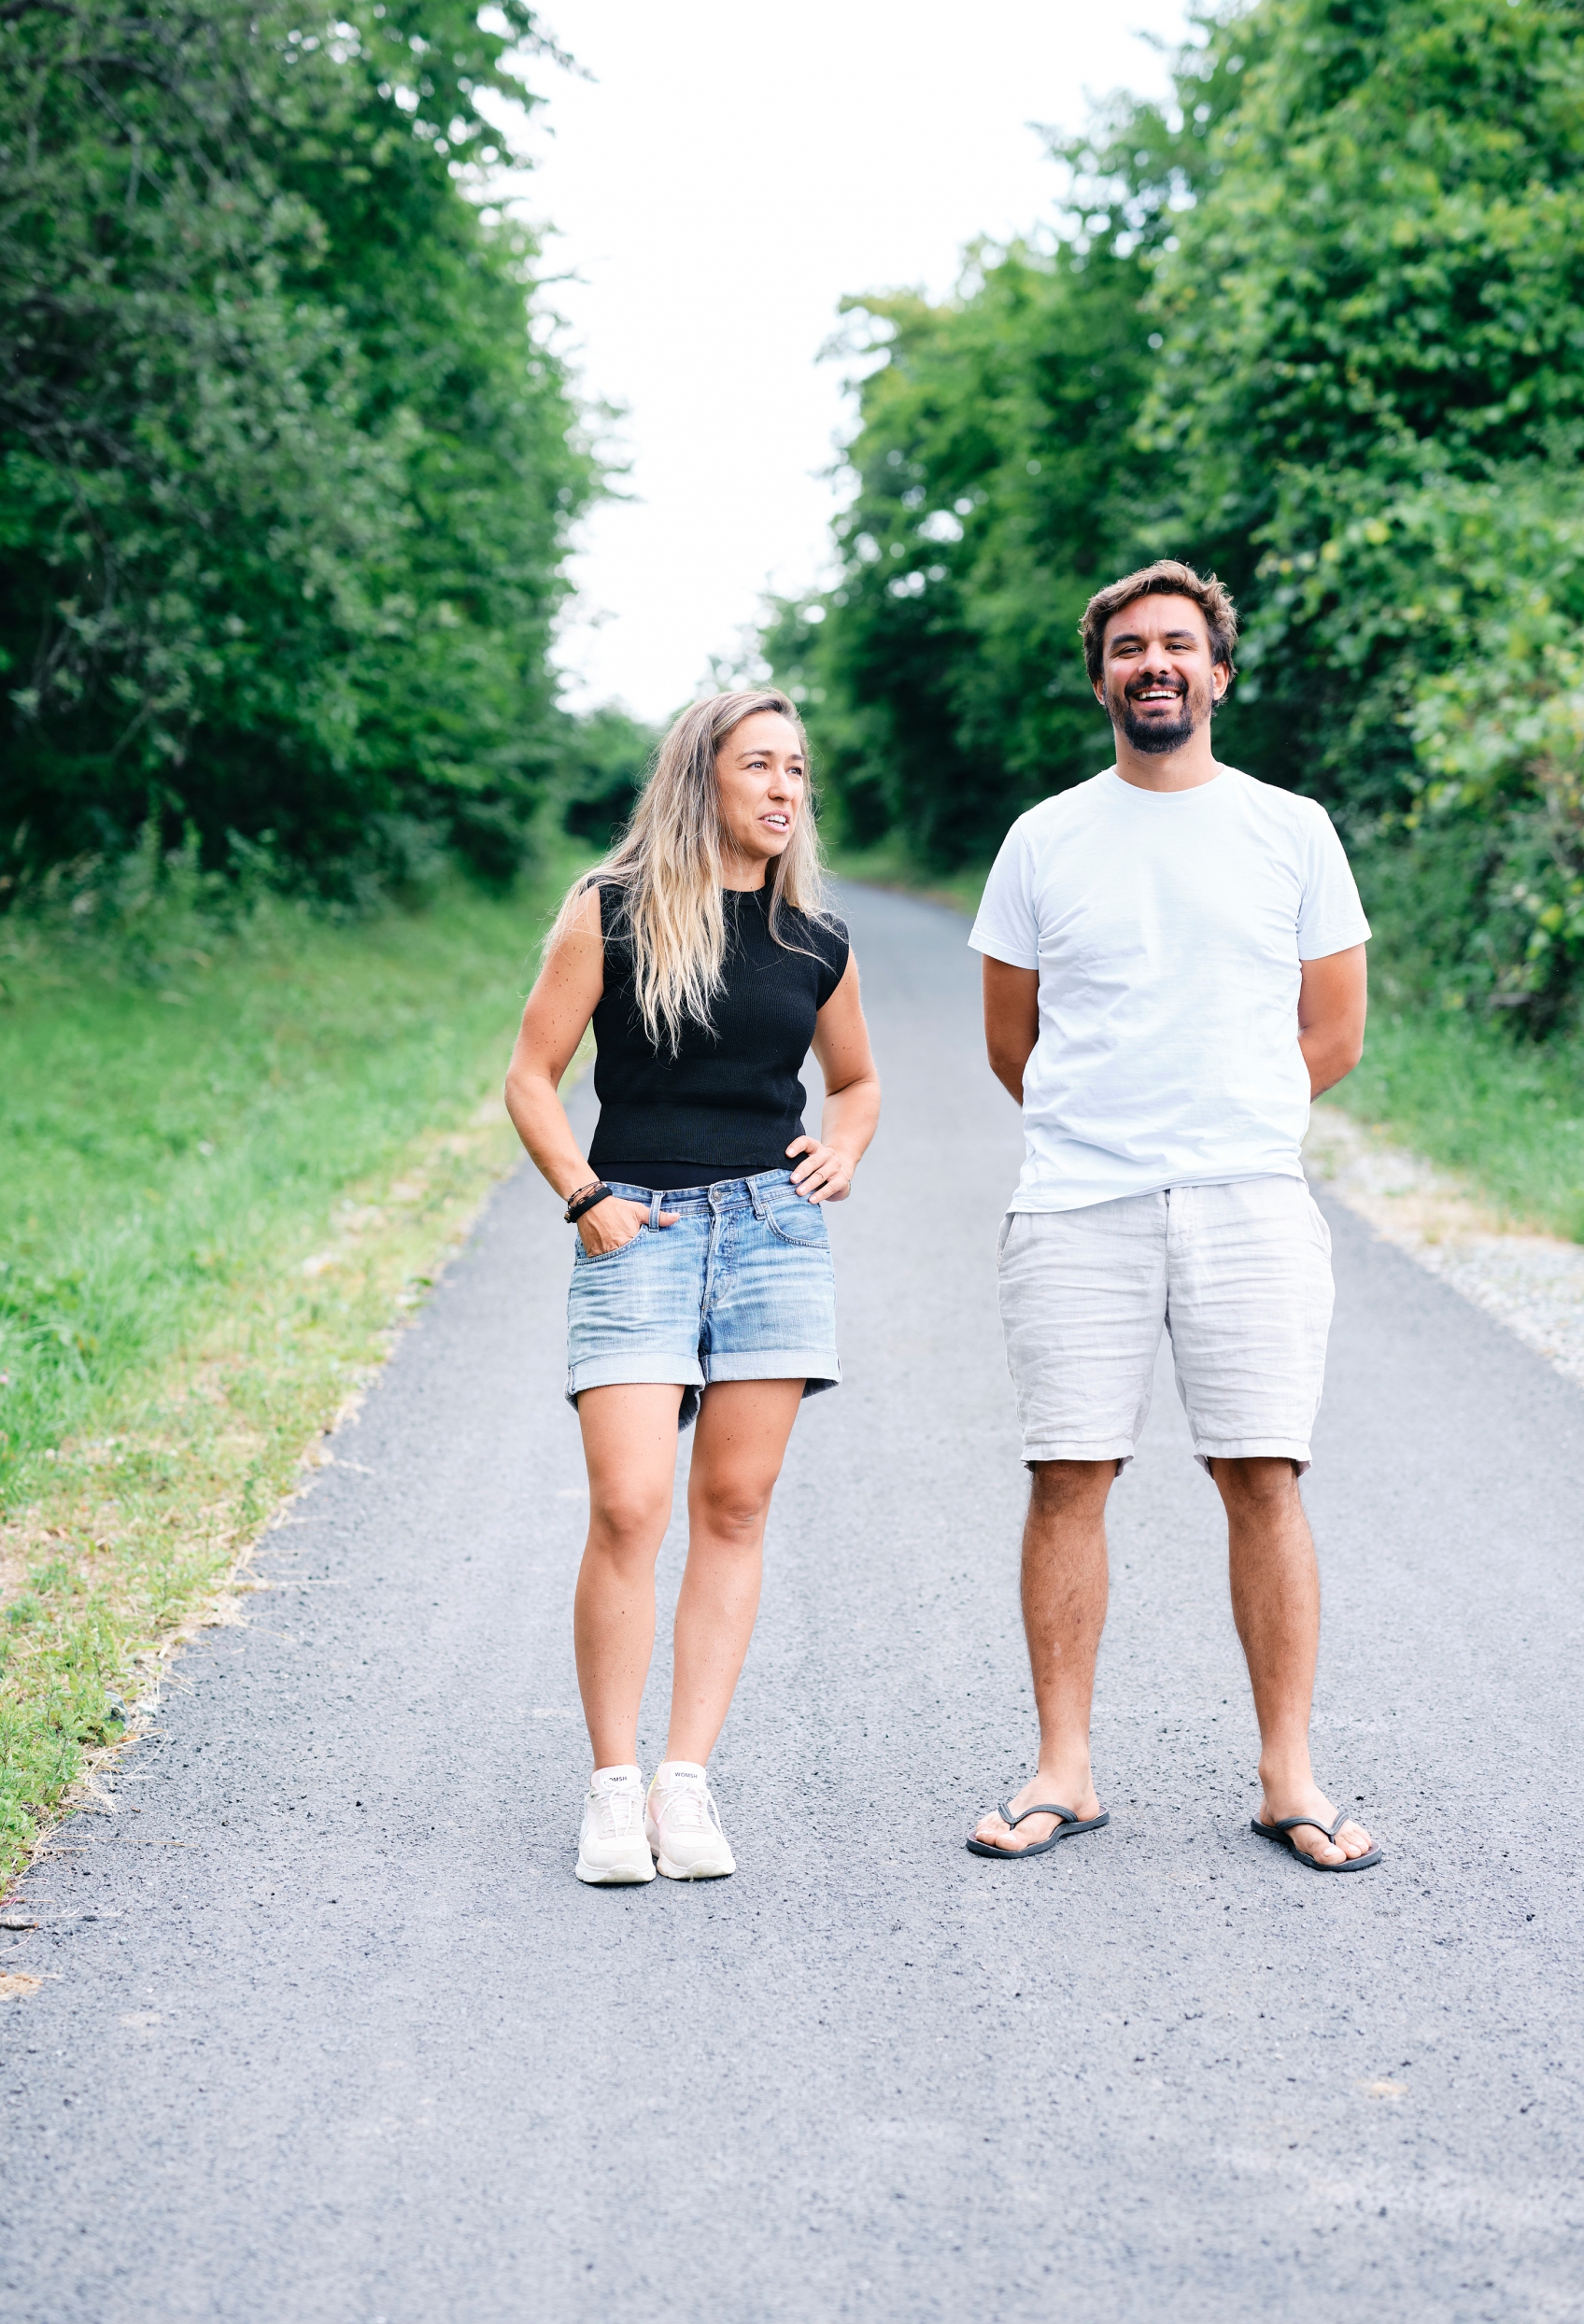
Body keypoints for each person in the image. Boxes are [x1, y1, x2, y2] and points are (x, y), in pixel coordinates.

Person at [965, 560, 1381, 1873]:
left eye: (1177, 646)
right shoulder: (1042, 838)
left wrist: (1225, 1116)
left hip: (1248, 1199)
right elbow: (1009, 1045)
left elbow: (1331, 1031)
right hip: (1077, 1203)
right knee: (1066, 1477)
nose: (1154, 665)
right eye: (1128, 648)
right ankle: (1060, 1772)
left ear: (1216, 673)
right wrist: (1115, 1124)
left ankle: (1286, 1778)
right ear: (1099, 679)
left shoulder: (1290, 829)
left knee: (1261, 1475)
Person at [504, 689, 880, 1885]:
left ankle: (685, 1778)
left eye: (798, 770)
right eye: (760, 765)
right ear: (700, 778)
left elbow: (858, 1081)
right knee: (628, 1504)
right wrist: (584, 1194)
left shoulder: (816, 940)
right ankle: (613, 1787)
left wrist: (848, 1143)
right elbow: (530, 1075)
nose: (784, 788)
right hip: (638, 1231)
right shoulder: (609, 912)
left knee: (734, 1508)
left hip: (774, 1233)